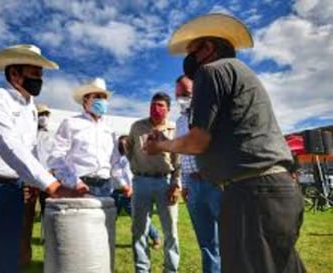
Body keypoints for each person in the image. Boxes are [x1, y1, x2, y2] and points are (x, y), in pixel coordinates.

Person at [145, 14, 306, 273]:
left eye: (193, 51)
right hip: (275, 188)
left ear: (208, 48)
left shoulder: (211, 71)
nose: (189, 59)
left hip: (252, 194)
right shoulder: (241, 73)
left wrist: (162, 144)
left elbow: (197, 142)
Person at [0, 44, 79, 273]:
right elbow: (9, 146)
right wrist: (52, 186)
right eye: (34, 73)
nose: (39, 80)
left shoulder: (30, 108)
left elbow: (29, 150)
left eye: (41, 75)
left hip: (12, 189)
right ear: (14, 73)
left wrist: (32, 180)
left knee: (9, 253)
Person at [48, 77, 130, 197]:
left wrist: (123, 184)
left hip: (105, 186)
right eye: (97, 96)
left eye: (104, 97)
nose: (102, 100)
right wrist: (74, 182)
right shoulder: (71, 123)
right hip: (79, 185)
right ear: (85, 100)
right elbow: (56, 157)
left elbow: (115, 162)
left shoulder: (109, 131)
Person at [127, 92, 181, 273]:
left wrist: (176, 184)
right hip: (141, 182)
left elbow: (178, 160)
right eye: (152, 104)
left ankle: (170, 270)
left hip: (165, 183)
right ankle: (142, 270)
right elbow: (129, 151)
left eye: (160, 105)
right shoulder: (137, 127)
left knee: (171, 231)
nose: (155, 109)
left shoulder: (174, 129)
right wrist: (136, 170)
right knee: (139, 230)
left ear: (168, 109)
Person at [175, 75, 221, 273]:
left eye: (185, 94)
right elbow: (183, 155)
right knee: (207, 244)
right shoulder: (179, 121)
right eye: (178, 95)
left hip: (216, 183)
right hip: (193, 186)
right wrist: (185, 184)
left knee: (231, 240)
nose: (181, 99)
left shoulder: (213, 113)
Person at [111, 135, 161, 249]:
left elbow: (134, 175)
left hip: (130, 194)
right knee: (110, 219)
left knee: (140, 219)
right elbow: (114, 174)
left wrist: (131, 189)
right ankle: (105, 240)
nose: (123, 146)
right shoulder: (115, 158)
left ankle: (155, 237)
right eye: (121, 144)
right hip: (116, 193)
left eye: (126, 144)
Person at [20, 103, 54, 265]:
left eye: (46, 114)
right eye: (41, 114)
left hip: (49, 181)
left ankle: (50, 258)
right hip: (29, 181)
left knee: (51, 219)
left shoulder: (53, 136)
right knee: (25, 220)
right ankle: (24, 257)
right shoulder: (26, 135)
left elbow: (57, 158)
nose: (44, 117)